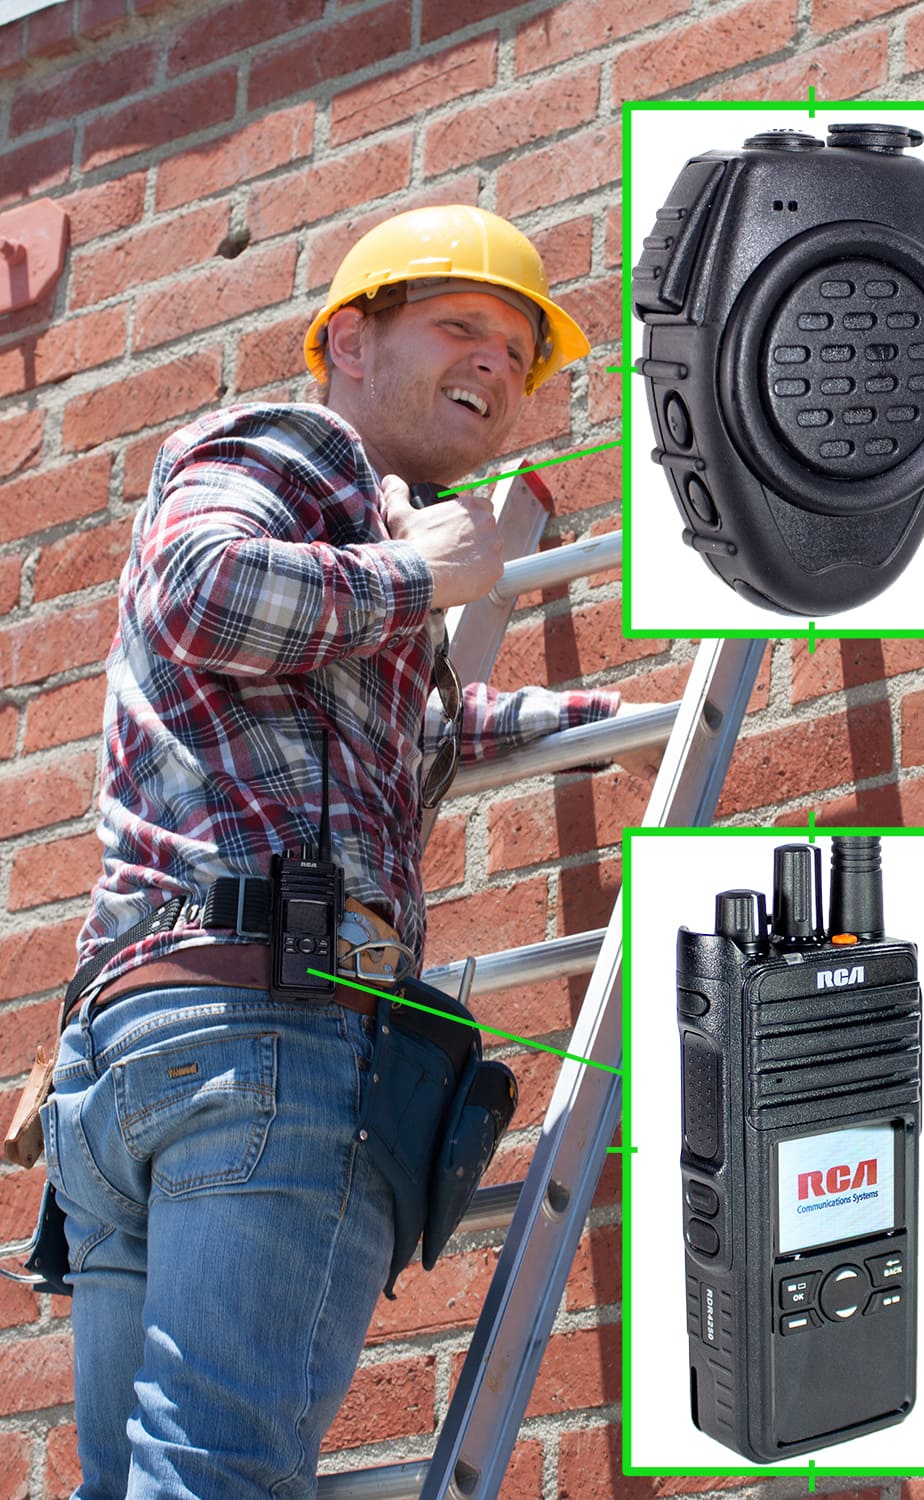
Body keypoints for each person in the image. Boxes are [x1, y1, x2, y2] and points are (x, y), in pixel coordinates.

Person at [42, 204, 640, 1500]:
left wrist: (593, 722)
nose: (496, 362)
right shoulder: (307, 449)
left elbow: (405, 726)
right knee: (223, 1478)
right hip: (267, 1030)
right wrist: (424, 573)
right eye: (460, 326)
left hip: (150, 1040)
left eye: (520, 354)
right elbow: (200, 589)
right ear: (350, 342)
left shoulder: (355, 559)